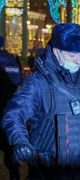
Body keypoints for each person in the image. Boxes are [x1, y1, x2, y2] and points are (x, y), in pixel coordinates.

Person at [1, 23, 80, 180]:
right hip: (49, 171)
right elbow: (14, 114)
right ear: (56, 51)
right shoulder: (38, 82)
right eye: (72, 55)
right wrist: (20, 141)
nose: (78, 61)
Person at [0, 36, 23, 180]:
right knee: (10, 146)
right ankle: (15, 175)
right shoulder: (12, 59)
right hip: (10, 109)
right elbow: (19, 83)